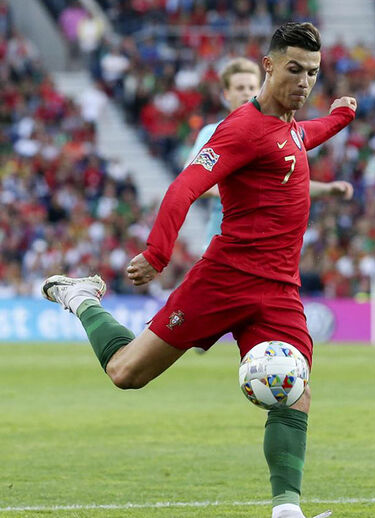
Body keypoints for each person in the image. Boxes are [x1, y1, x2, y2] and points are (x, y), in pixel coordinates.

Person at [41, 22, 356, 518]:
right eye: (295, 69)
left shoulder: (289, 125)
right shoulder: (241, 128)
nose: (304, 82)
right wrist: (158, 253)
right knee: (126, 373)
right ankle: (81, 298)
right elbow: (185, 185)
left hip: (279, 289)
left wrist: (339, 117)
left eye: (313, 73)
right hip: (224, 279)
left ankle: (287, 511)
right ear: (269, 66)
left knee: (293, 389)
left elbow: (304, 135)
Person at [186, 57, 262, 252]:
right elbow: (188, 180)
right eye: (240, 88)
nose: (247, 92)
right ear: (226, 94)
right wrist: (229, 191)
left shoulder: (274, 133)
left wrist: (329, 189)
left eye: (252, 87)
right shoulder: (212, 133)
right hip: (221, 245)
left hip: (262, 246)